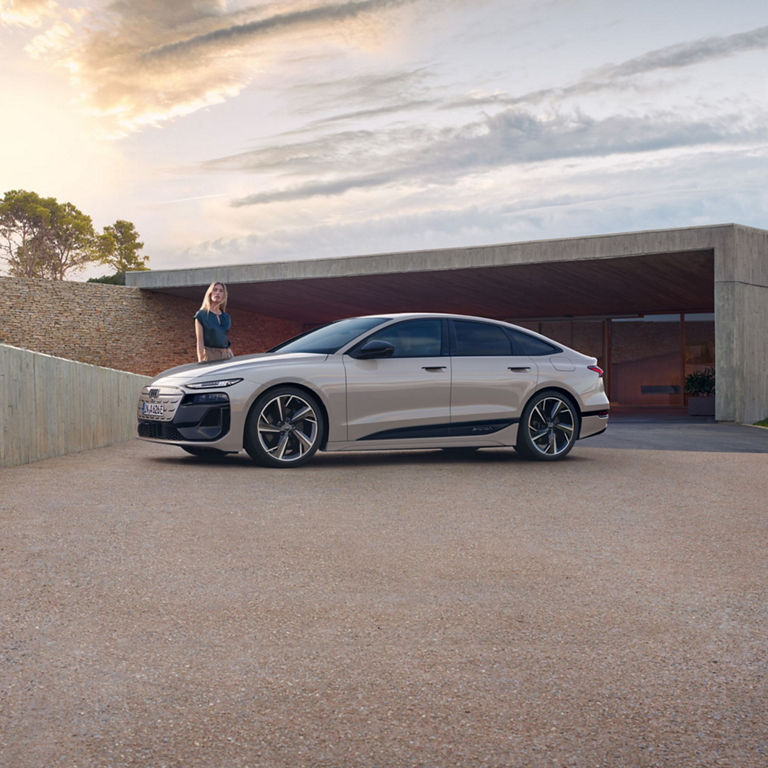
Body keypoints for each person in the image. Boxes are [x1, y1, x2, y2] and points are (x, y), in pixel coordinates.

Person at [194, 281, 234, 362]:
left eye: (221, 291)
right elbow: (200, 341)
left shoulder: (226, 317)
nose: (217, 293)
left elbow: (224, 339)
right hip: (210, 355)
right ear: (210, 293)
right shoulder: (201, 315)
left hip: (226, 355)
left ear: (224, 295)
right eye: (215, 290)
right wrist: (200, 360)